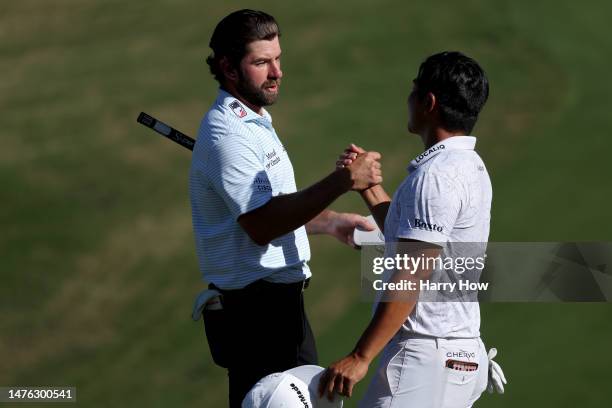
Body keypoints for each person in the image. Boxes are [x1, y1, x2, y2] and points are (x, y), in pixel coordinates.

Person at [189, 10, 382, 407]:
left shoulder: (254, 120)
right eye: (261, 62)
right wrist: (343, 182)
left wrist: (330, 223)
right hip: (257, 317)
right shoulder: (229, 137)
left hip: (277, 308)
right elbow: (262, 225)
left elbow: (271, 210)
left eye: (278, 58)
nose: (277, 71)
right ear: (228, 67)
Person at [319, 51, 506, 407]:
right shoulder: (468, 165)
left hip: (426, 358)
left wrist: (360, 357)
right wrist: (369, 187)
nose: (408, 99)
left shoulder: (435, 177)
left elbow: (413, 275)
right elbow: (411, 238)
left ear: (429, 103)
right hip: (455, 354)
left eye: (414, 91)